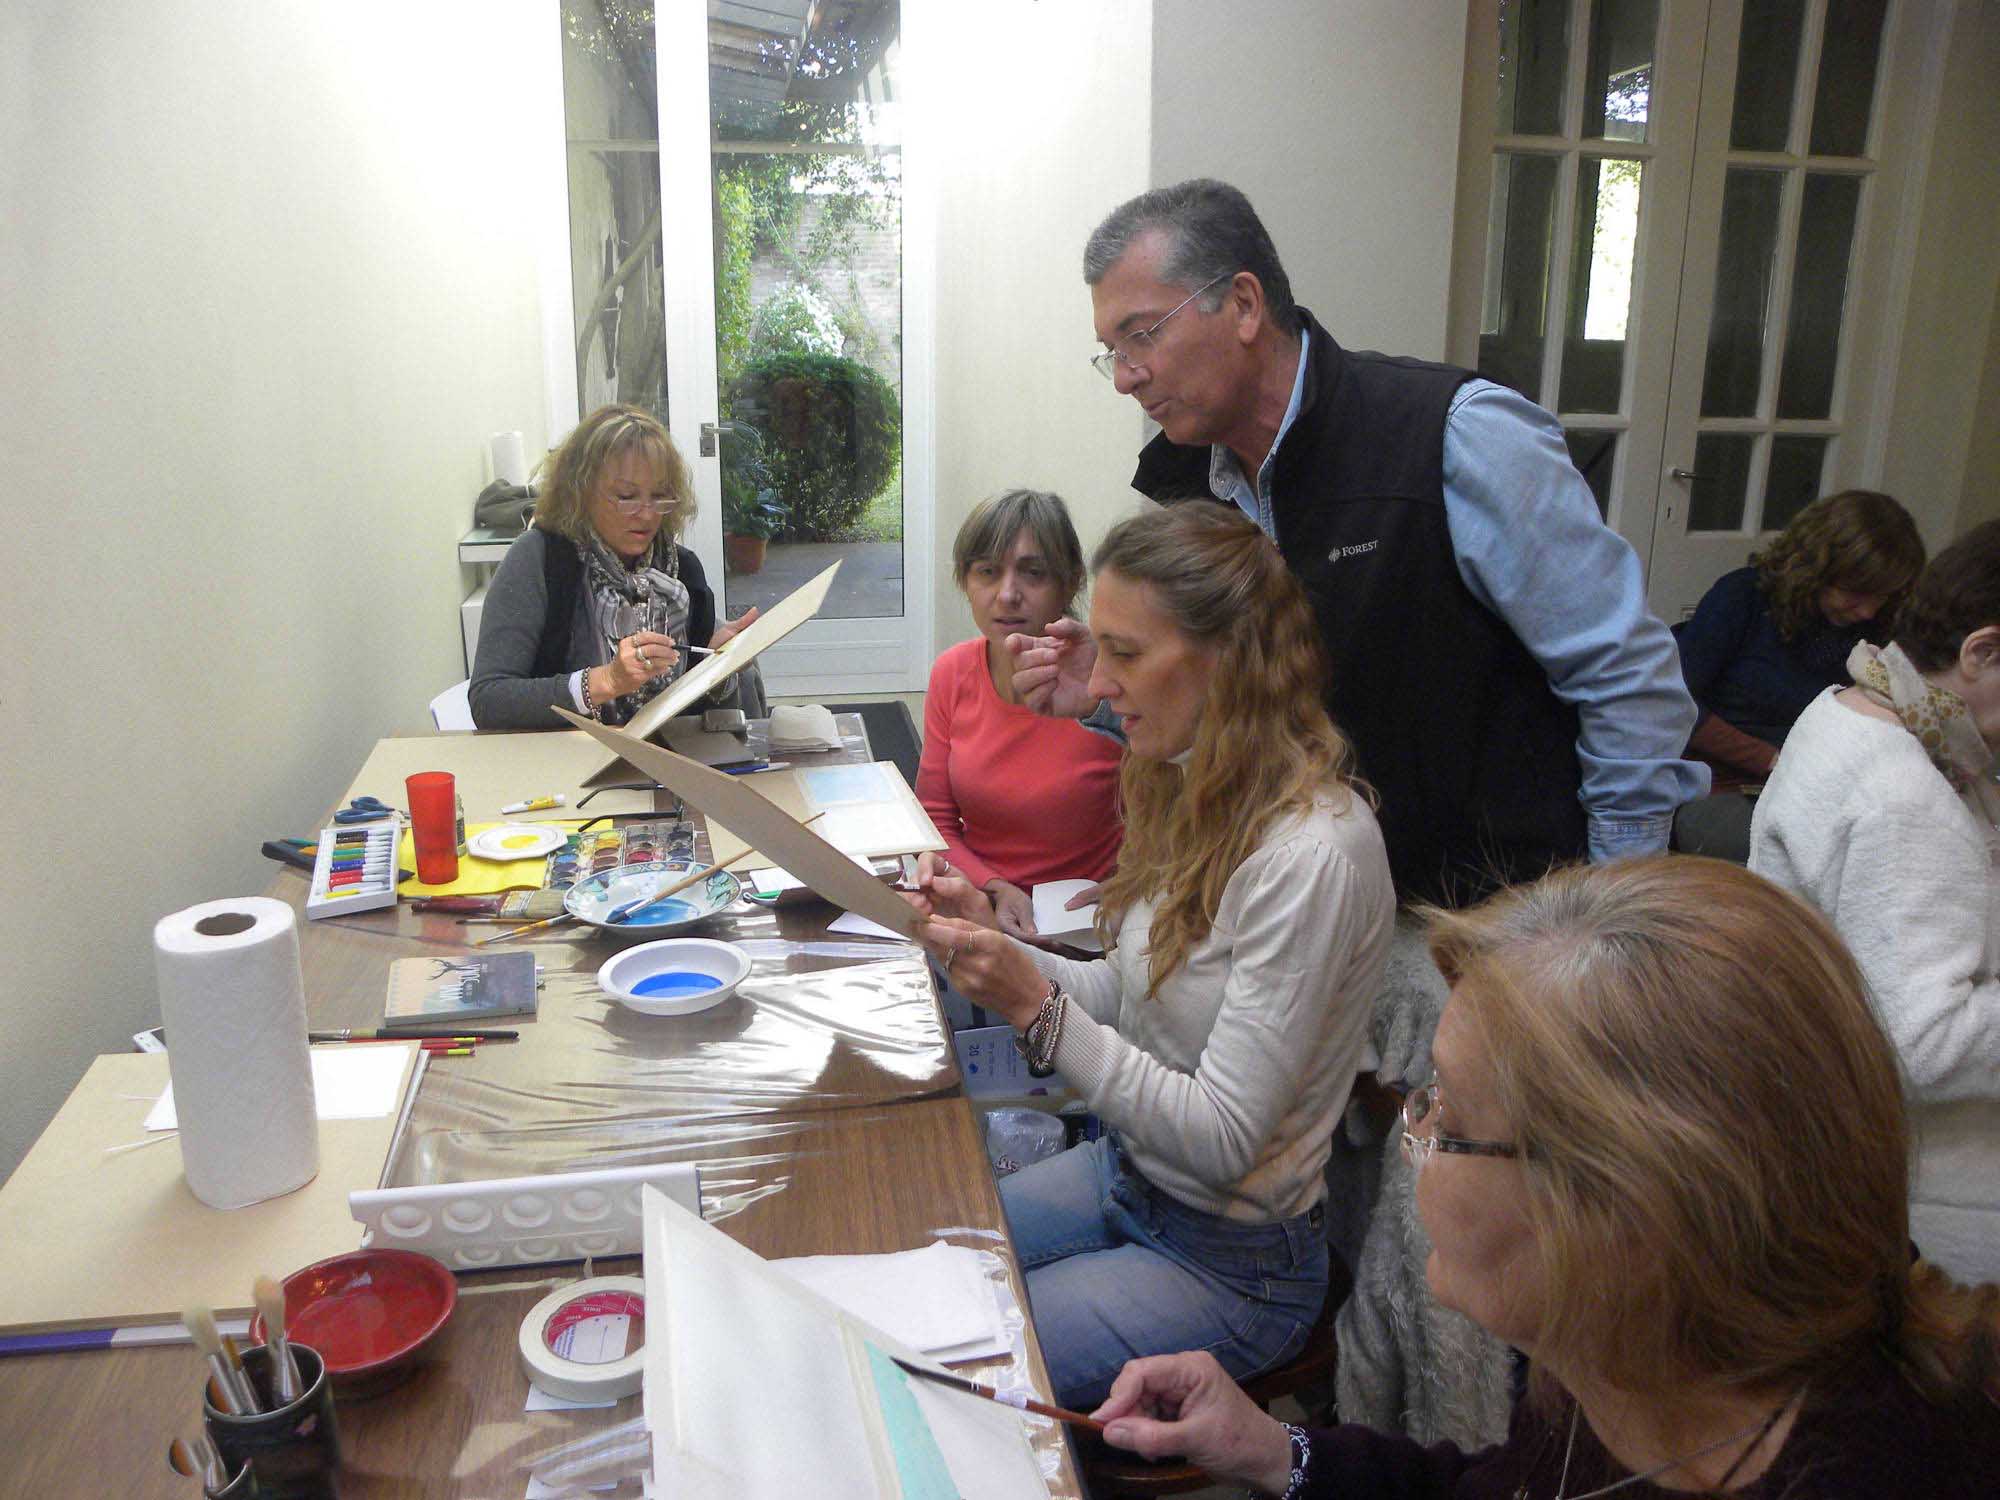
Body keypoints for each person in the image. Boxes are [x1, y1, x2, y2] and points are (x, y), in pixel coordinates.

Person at [1091, 857, 2000, 1497]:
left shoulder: (1863, 1468)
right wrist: (1270, 1450)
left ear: (1623, 1211)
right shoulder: (1623, 1361)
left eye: (1447, 1118)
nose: (1412, 1137)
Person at [1015, 179, 1705, 905]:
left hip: (1502, 912)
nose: (1126, 377)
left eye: (1143, 335)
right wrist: (1116, 681)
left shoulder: (1455, 433)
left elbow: (1626, 677)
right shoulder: (1191, 487)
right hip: (1318, 907)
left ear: (1244, 305)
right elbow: (1253, 715)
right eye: (1112, 350)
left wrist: (1616, 900)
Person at [908, 504, 1395, 1409]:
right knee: (925, 1262)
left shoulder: (1312, 854)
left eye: (1125, 656)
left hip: (1234, 1262)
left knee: (957, 1362)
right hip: (1129, 1175)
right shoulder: (1194, 788)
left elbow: (1222, 1139)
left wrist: (1033, 1007)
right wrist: (991, 942)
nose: (1099, 684)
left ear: (1229, 662)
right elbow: (1126, 991)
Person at [1751, 519, 2000, 1282]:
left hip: (1840, 1147)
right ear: (1982, 652)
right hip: (1929, 1193)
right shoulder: (1902, 794)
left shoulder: (1852, 707)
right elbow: (1925, 1046)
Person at [914, 489, 1124, 940]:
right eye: (987, 572)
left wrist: (1136, 885)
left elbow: (1180, 807)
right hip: (981, 910)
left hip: (1092, 929)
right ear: (965, 581)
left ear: (1070, 583)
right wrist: (995, 888)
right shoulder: (953, 672)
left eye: (1033, 573)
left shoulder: (1108, 678)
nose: (1007, 595)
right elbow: (934, 819)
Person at [468, 404, 756, 729]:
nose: (647, 514)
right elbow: (488, 701)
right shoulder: (539, 560)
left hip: (662, 758)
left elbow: (701, 720)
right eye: (627, 496)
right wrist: (607, 680)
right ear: (580, 493)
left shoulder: (683, 571)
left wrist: (714, 670)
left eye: (659, 496)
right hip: (566, 756)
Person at [1676, 489, 1924, 784]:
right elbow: (1673, 704)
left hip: (1821, 778)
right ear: (1815, 570)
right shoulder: (1742, 598)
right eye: (1856, 593)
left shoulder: (1879, 626)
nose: (1868, 612)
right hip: (1723, 778)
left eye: (1881, 596)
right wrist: (1772, 761)